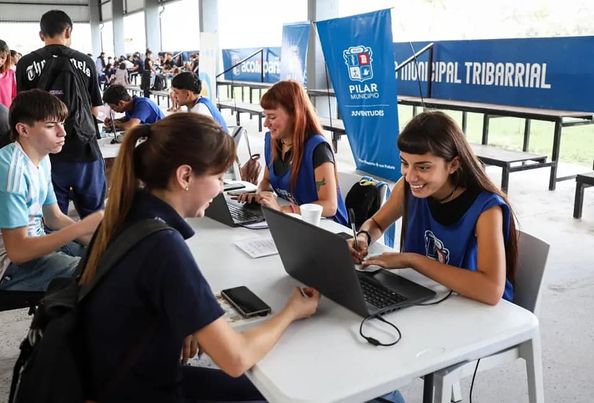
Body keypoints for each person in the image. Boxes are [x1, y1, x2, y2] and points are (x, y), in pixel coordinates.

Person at [79, 112, 320, 402]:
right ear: (185, 176)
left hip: (110, 380)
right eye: (218, 177)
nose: (221, 187)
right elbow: (236, 358)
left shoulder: (128, 214)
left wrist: (181, 321)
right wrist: (291, 311)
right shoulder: (163, 246)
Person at [350, 111, 518, 306]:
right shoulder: (407, 188)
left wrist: (411, 260)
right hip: (427, 295)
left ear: (454, 164)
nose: (410, 176)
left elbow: (490, 290)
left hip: (474, 308)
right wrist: (363, 237)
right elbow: (377, 223)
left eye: (423, 167)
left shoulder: (486, 209)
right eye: (405, 163)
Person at [0, 90, 103, 292]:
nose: (62, 132)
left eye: (62, 123)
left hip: (35, 242)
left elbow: (53, 217)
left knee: (109, 257)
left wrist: (102, 242)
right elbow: (18, 251)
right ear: (23, 130)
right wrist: (80, 228)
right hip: (9, 265)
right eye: (50, 126)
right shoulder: (11, 172)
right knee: (97, 274)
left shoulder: (41, 157)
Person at [16, 10, 106, 219]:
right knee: (94, 216)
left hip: (44, 155)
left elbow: (22, 109)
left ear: (41, 35)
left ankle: (60, 252)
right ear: (68, 31)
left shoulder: (25, 63)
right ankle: (96, 251)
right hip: (85, 150)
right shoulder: (86, 61)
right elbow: (94, 109)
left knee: (52, 219)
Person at [238, 80, 348, 225]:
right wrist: (260, 195)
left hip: (327, 228)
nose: (266, 123)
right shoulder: (272, 141)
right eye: (265, 116)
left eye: (272, 117)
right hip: (295, 224)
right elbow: (267, 180)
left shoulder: (318, 148)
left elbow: (330, 206)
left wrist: (284, 210)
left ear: (295, 115)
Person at [0, 40, 16, 108]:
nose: (0, 61)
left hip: (6, 114)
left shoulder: (10, 74)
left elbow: (14, 96)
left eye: (3, 57)